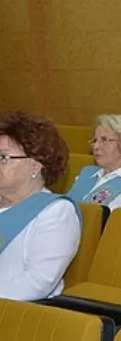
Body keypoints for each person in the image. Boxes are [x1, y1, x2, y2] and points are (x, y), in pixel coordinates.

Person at [0, 111, 81, 301]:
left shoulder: (56, 212)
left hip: (19, 315)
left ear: (35, 166)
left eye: (3, 157)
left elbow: (38, 282)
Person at [66, 114, 121, 209]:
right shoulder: (87, 173)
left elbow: (109, 216)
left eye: (104, 140)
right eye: (94, 140)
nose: (96, 146)